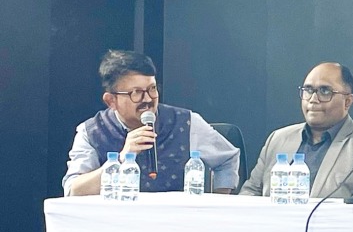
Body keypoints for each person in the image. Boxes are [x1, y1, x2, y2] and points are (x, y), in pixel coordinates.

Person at [63, 49, 239, 195]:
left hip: (175, 227)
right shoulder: (92, 131)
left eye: (152, 89)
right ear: (111, 101)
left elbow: (227, 158)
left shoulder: (186, 122)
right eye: (136, 92)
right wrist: (121, 159)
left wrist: (216, 206)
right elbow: (73, 190)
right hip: (116, 228)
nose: (148, 99)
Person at [240, 62, 353, 200]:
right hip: (275, 229)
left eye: (325, 91)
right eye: (308, 90)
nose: (313, 99)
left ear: (347, 101)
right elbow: (250, 192)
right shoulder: (278, 139)